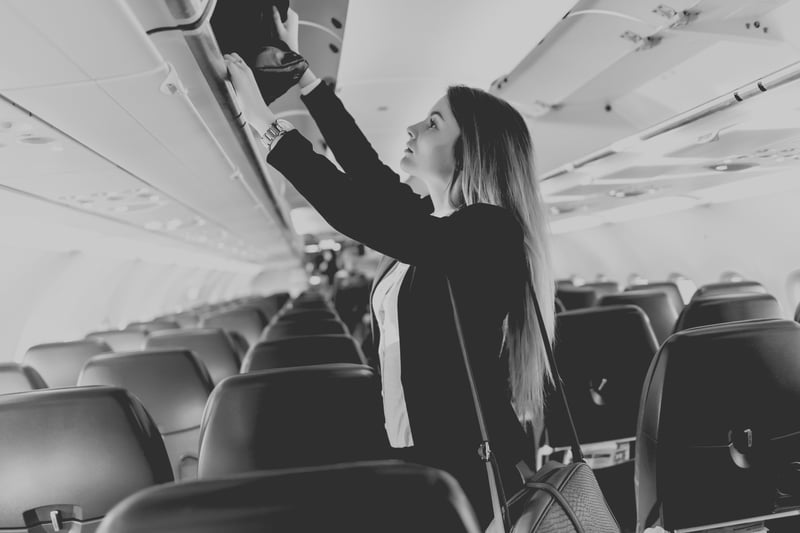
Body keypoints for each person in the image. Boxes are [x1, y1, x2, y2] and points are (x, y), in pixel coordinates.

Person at [225, 8, 555, 530]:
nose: (412, 127)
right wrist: (308, 81)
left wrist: (266, 127)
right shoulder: (433, 221)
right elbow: (368, 175)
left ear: (471, 152)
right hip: (415, 448)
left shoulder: (490, 232)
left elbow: (354, 210)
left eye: (432, 123)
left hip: (472, 460)